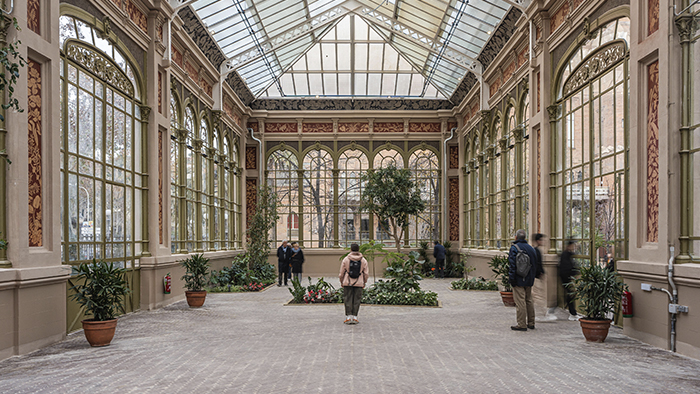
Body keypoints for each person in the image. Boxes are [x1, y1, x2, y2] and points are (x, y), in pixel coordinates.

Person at [508, 229, 543, 331]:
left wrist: (512, 279)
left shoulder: (514, 248)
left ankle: (521, 324)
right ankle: (531, 322)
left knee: (520, 302)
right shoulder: (531, 249)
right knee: (529, 300)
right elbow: (535, 265)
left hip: (518, 279)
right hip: (529, 279)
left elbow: (512, 265)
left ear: (516, 237)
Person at [339, 243, 369, 325]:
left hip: (347, 282)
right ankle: (355, 317)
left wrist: (342, 281)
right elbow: (366, 273)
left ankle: (348, 317)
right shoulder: (363, 260)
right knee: (357, 299)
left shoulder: (346, 259)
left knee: (347, 298)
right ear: (358, 249)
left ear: (351, 249)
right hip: (359, 282)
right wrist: (364, 282)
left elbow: (341, 273)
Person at [559, 241, 581, 320]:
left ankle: (572, 312)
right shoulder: (565, 255)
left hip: (567, 278)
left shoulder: (568, 254)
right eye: (572, 246)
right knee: (571, 294)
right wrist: (572, 276)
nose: (573, 248)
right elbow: (567, 268)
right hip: (567, 278)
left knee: (570, 294)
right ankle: (572, 313)